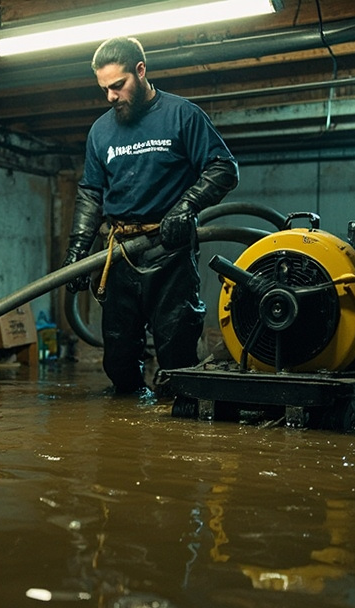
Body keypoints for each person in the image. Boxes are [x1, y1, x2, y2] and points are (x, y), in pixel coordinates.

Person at [63, 36, 239, 395]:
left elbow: (224, 168)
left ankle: (178, 429)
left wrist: (187, 205)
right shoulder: (100, 131)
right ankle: (128, 431)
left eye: (118, 85)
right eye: (104, 89)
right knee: (119, 357)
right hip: (119, 254)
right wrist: (77, 252)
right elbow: (91, 192)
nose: (111, 96)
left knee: (176, 351)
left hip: (169, 250)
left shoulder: (181, 115)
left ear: (140, 71)